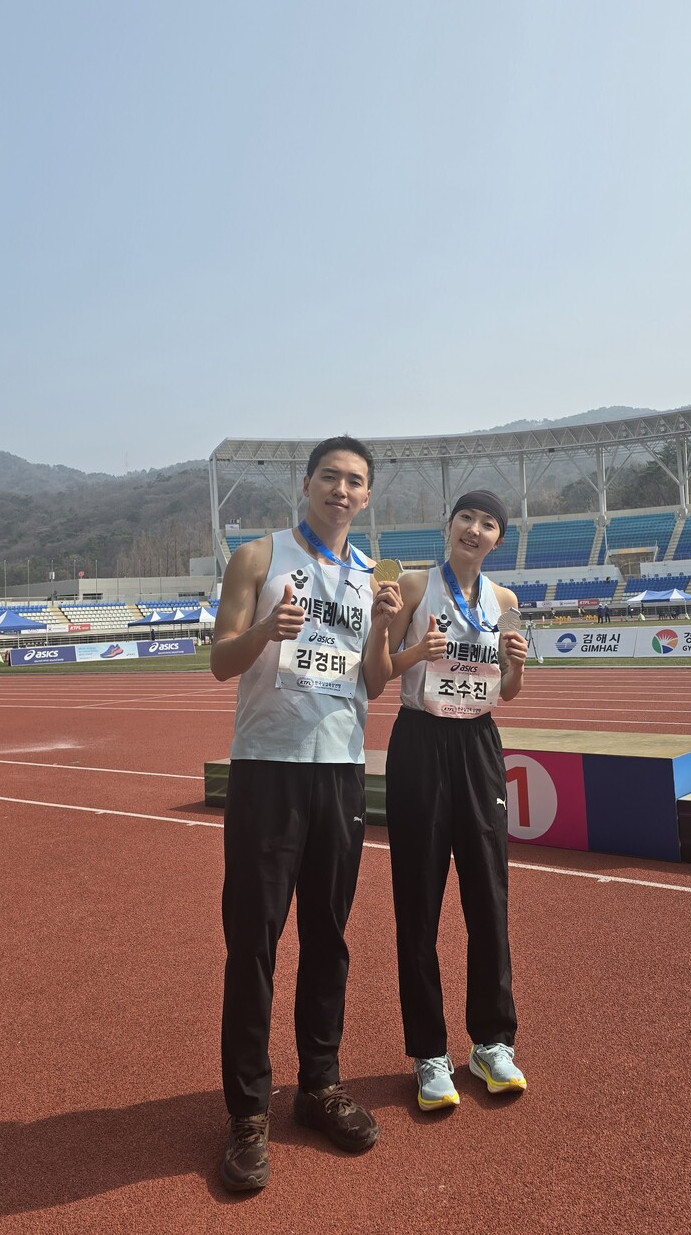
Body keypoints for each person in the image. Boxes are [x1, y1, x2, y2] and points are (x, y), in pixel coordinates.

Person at [210, 435, 399, 1193]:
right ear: (308, 483)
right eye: (331, 477)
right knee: (253, 945)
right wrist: (267, 631)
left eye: (356, 481)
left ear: (367, 496)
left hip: (341, 776)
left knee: (329, 938)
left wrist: (384, 627)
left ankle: (319, 1086)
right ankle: (249, 1114)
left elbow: (374, 685)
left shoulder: (369, 574)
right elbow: (221, 660)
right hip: (266, 774)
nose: (343, 490)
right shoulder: (257, 559)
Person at [363, 490, 529, 1114]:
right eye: (467, 518)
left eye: (489, 524)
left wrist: (516, 666)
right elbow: (376, 678)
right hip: (421, 743)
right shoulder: (410, 584)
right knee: (420, 898)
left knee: (489, 894)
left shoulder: (505, 602)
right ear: (449, 525)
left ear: (497, 541)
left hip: (480, 743)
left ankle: (491, 1041)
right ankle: (430, 1052)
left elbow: (509, 692)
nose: (475, 529)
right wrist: (413, 650)